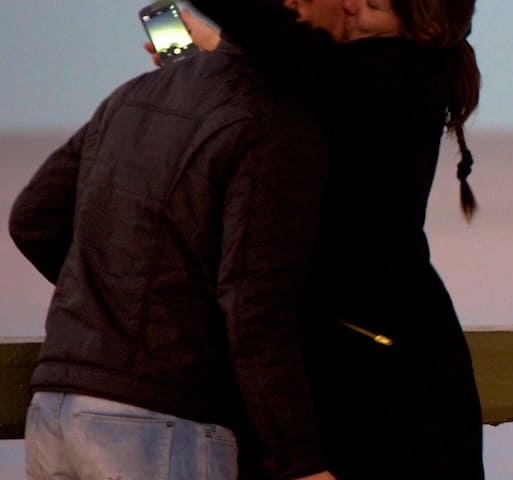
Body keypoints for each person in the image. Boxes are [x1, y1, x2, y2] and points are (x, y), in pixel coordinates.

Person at [7, 1, 351, 479]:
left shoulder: (133, 94)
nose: (352, 10)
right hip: (162, 421)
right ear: (295, 8)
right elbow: (254, 307)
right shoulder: (275, 120)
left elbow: (33, 218)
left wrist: (113, 296)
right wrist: (302, 463)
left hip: (55, 407)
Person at [185, 0, 488, 477]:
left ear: (423, 26)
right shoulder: (398, 79)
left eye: (372, 6)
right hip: (403, 352)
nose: (350, 5)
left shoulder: (390, 77)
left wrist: (221, 44)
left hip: (381, 374)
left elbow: (280, 43)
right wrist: (214, 49)